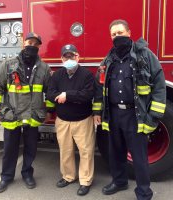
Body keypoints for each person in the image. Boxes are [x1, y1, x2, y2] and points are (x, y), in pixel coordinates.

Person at [93, 19, 166, 200]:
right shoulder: (108, 59)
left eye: (120, 33)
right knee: (115, 152)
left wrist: (153, 117)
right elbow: (99, 86)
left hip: (135, 115)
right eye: (113, 34)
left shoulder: (145, 56)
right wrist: (97, 112)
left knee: (139, 156)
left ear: (129, 32)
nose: (117, 37)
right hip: (113, 114)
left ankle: (143, 192)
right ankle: (119, 181)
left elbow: (159, 86)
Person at [0, 32, 53, 193]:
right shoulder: (9, 65)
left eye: (35, 43)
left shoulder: (44, 68)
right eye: (29, 42)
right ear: (23, 44)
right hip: (13, 113)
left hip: (32, 115)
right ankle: (6, 177)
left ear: (39, 47)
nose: (31, 45)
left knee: (31, 148)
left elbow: (50, 89)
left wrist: (50, 109)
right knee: (10, 148)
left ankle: (27, 174)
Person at [47, 44, 95, 196]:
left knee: (86, 151)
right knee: (65, 151)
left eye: (71, 56)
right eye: (65, 56)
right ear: (61, 59)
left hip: (83, 120)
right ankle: (68, 177)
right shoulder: (57, 75)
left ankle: (85, 181)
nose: (69, 59)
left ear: (77, 57)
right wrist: (67, 96)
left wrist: (67, 95)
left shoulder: (86, 75)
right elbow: (50, 93)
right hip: (63, 121)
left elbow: (87, 95)